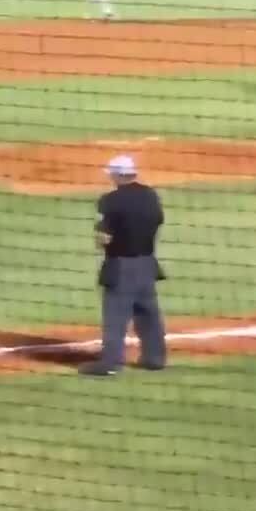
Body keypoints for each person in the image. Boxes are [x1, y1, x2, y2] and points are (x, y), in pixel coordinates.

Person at [80, 155, 167, 377]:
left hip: (120, 266)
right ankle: (155, 359)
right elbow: (158, 221)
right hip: (148, 263)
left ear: (118, 175)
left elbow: (104, 238)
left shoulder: (110, 200)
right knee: (148, 313)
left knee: (115, 317)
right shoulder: (151, 195)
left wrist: (102, 238)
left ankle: (110, 363)